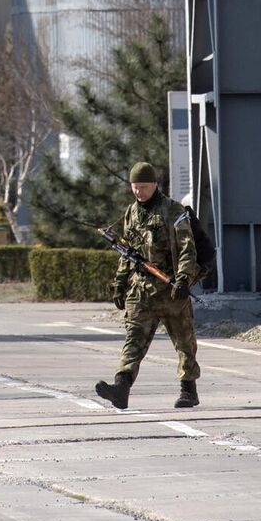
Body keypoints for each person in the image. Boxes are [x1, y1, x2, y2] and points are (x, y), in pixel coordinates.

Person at [95, 161, 201, 410]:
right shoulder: (131, 213)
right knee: (133, 339)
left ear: (155, 185)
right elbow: (127, 251)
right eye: (135, 187)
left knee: (184, 342)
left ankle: (189, 390)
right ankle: (121, 386)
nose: (139, 192)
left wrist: (184, 279)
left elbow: (187, 248)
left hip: (171, 290)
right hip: (141, 290)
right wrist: (120, 284)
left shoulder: (173, 211)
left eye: (143, 187)